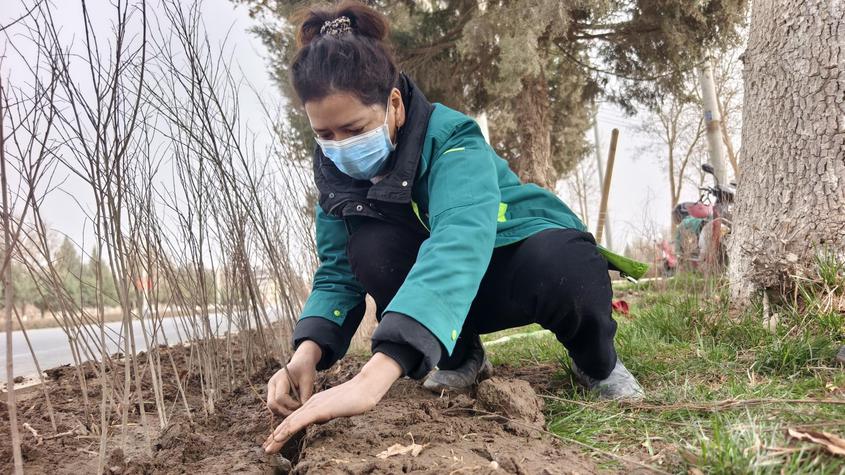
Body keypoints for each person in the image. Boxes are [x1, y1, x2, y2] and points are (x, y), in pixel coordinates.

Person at [263, 1, 645, 454]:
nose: (339, 148)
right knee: (368, 249)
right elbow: (337, 272)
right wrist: (304, 353)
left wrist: (374, 377)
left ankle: (596, 364)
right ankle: (461, 355)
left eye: (352, 129)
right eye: (324, 135)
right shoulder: (337, 179)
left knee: (561, 263)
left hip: (511, 263)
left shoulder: (452, 140)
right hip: (448, 304)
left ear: (394, 104)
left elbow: (459, 243)